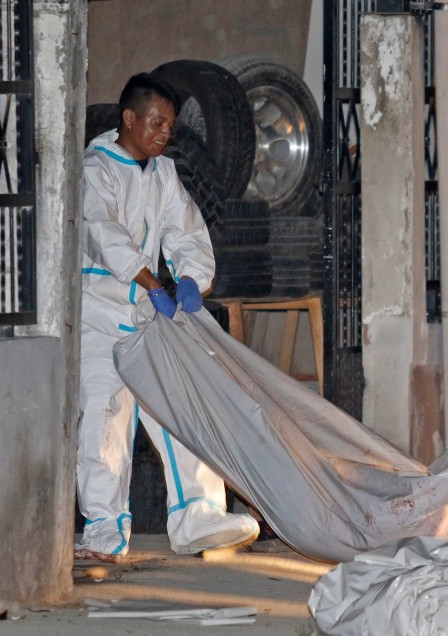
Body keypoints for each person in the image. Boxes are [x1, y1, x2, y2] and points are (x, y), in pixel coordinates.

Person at [76, 73, 259, 561]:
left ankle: (199, 519)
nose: (163, 133)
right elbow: (102, 232)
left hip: (144, 312)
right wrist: (153, 282)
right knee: (104, 421)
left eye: (170, 125)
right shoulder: (96, 168)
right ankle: (103, 535)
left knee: (181, 408)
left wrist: (191, 281)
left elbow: (186, 230)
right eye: (156, 122)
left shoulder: (162, 172)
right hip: (101, 313)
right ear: (128, 118)